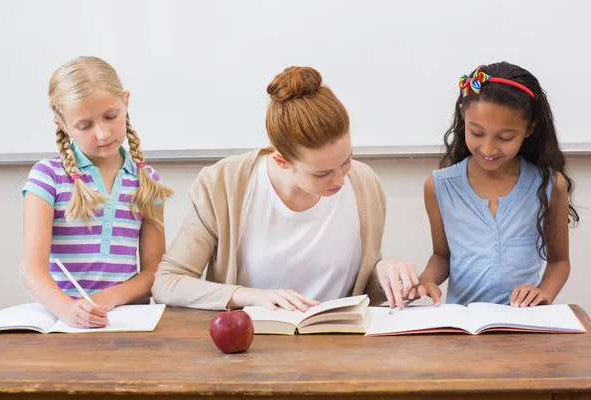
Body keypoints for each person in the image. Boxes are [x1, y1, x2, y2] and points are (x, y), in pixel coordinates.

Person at [152, 66, 418, 311]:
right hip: (251, 348)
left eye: (346, 161)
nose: (339, 180)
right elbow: (167, 282)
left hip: (339, 347)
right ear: (281, 160)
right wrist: (251, 296)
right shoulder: (223, 184)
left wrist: (385, 272)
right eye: (322, 173)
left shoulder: (365, 184)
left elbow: (364, 289)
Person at [21, 56, 173, 328]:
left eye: (110, 116)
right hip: (64, 324)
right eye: (85, 125)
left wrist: (106, 300)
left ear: (126, 102)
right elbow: (31, 269)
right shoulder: (47, 177)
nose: (103, 133)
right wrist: (67, 309)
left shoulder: (148, 183)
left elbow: (153, 273)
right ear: (62, 125)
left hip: (126, 322)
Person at [415, 62, 579, 307]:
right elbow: (442, 255)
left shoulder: (549, 185)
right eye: (477, 133)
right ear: (463, 116)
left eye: (505, 137)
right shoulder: (438, 186)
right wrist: (426, 280)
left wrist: (543, 293)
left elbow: (559, 262)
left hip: (521, 324)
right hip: (461, 328)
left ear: (529, 128)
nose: (488, 149)